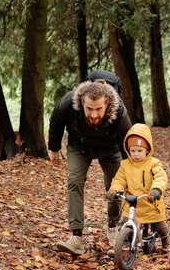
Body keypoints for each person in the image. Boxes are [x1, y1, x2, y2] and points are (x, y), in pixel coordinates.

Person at [48, 70, 132, 255]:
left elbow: (127, 140)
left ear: (107, 104)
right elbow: (56, 120)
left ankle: (113, 227)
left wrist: (131, 166)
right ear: (82, 103)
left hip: (110, 148)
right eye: (89, 109)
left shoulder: (119, 111)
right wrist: (54, 148)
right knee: (75, 181)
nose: (93, 115)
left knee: (115, 186)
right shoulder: (70, 102)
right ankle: (76, 237)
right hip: (80, 145)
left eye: (98, 109)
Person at [106, 123, 170, 253]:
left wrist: (156, 190)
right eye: (133, 150)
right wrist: (114, 189)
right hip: (132, 203)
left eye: (140, 151)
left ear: (147, 150)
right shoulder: (125, 165)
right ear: (128, 150)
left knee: (159, 224)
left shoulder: (154, 163)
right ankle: (122, 247)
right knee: (125, 224)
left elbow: (160, 177)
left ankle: (165, 237)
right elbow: (119, 179)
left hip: (149, 201)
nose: (136, 154)